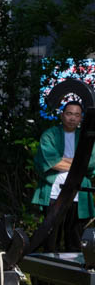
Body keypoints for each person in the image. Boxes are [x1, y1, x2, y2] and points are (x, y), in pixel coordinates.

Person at [32, 100, 94, 252]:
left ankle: (76, 275)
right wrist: (77, 163)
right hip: (54, 194)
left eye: (77, 115)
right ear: (62, 115)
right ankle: (46, 275)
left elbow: (91, 162)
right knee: (50, 239)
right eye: (69, 113)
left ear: (81, 118)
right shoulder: (50, 135)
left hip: (79, 195)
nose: (72, 118)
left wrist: (63, 160)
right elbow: (50, 161)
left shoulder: (87, 137)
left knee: (76, 242)